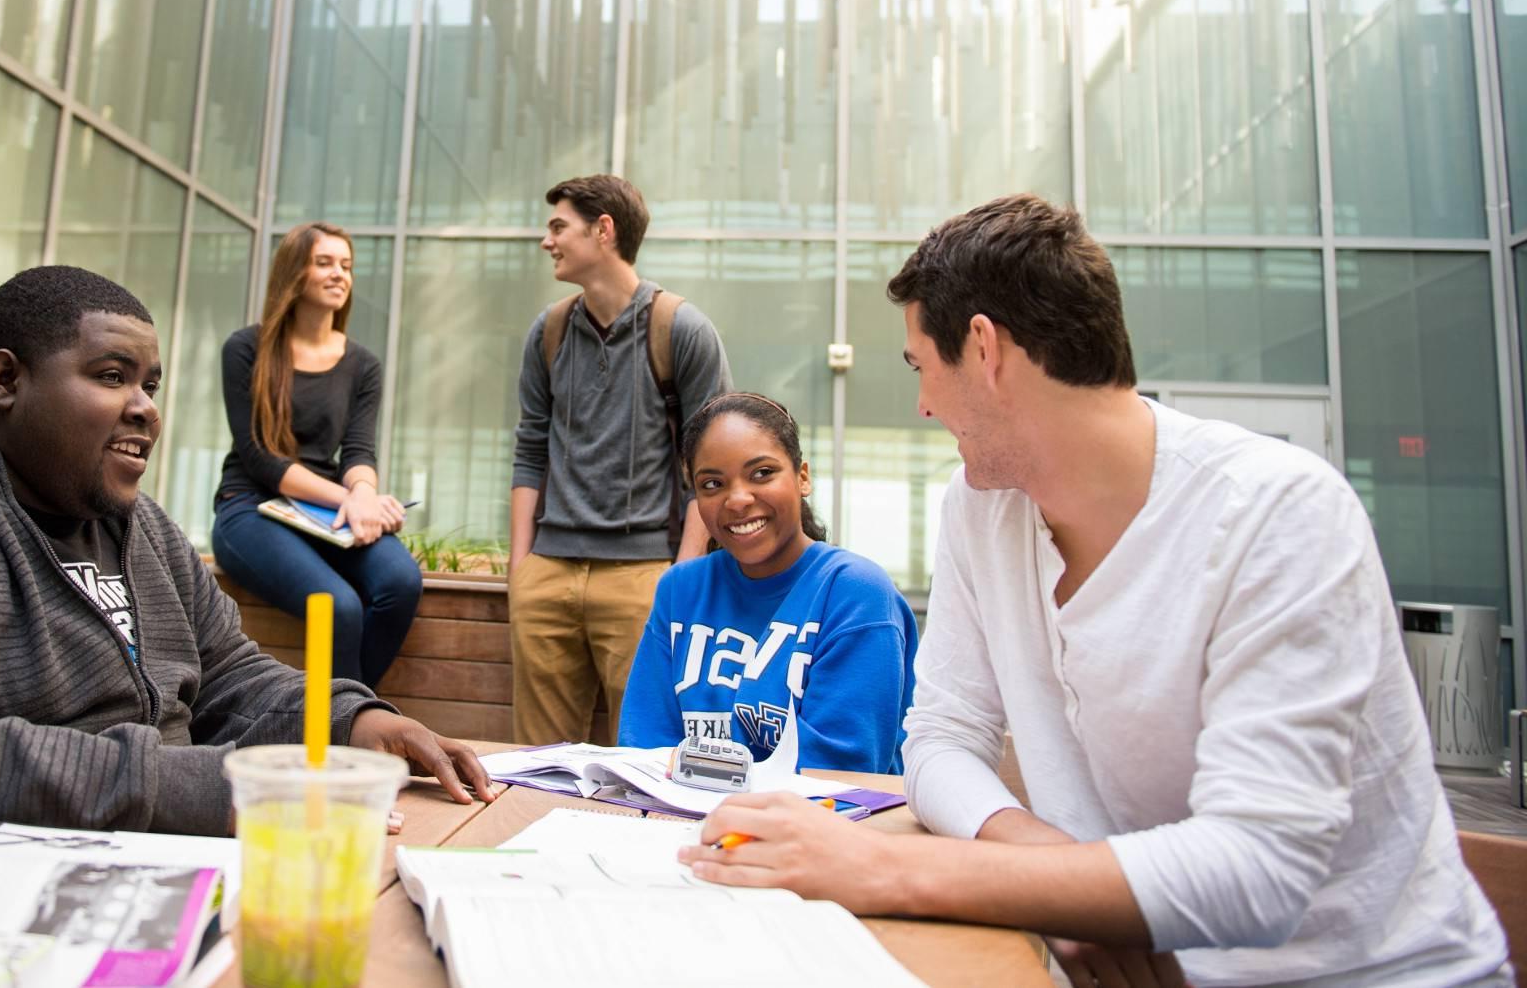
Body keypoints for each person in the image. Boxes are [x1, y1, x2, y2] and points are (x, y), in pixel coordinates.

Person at [679, 194, 1510, 988]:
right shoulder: (978, 510)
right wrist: (1051, 871)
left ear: (986, 348)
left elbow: (1259, 868)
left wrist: (885, 865)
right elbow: (937, 739)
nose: (926, 405)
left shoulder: (1280, 510)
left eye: (922, 369)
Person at [0, 266, 495, 921]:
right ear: (6, 379)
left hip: (135, 897)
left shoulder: (139, 527)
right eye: (111, 375)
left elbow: (227, 674)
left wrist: (355, 717)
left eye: (151, 383)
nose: (146, 407)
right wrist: (205, 788)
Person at [511, 174, 732, 746]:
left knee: (643, 757)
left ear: (603, 230)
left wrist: (681, 576)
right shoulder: (549, 332)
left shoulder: (681, 328)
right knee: (538, 762)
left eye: (558, 226)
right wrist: (521, 568)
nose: (547, 241)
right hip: (548, 572)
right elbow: (531, 446)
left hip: (643, 577)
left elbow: (710, 465)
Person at [617, 393, 916, 774]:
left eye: (762, 473)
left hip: (822, 826)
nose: (738, 499)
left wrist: (689, 768)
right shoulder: (680, 590)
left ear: (802, 477)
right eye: (712, 483)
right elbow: (643, 749)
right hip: (683, 821)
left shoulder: (856, 593)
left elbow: (837, 771)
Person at [209, 222, 421, 686]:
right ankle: (346, 730)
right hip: (250, 506)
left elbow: (359, 450)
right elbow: (260, 456)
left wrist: (363, 492)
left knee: (400, 582)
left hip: (324, 511)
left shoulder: (362, 364)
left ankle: (346, 714)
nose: (338, 274)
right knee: (337, 604)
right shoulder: (246, 349)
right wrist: (349, 501)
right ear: (294, 273)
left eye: (346, 265)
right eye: (324, 263)